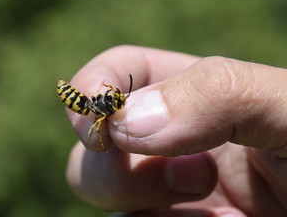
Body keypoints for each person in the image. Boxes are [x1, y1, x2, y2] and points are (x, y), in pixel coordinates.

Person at [64, 46, 287, 217]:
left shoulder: (110, 108)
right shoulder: (103, 111)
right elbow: (99, 115)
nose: (122, 101)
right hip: (83, 104)